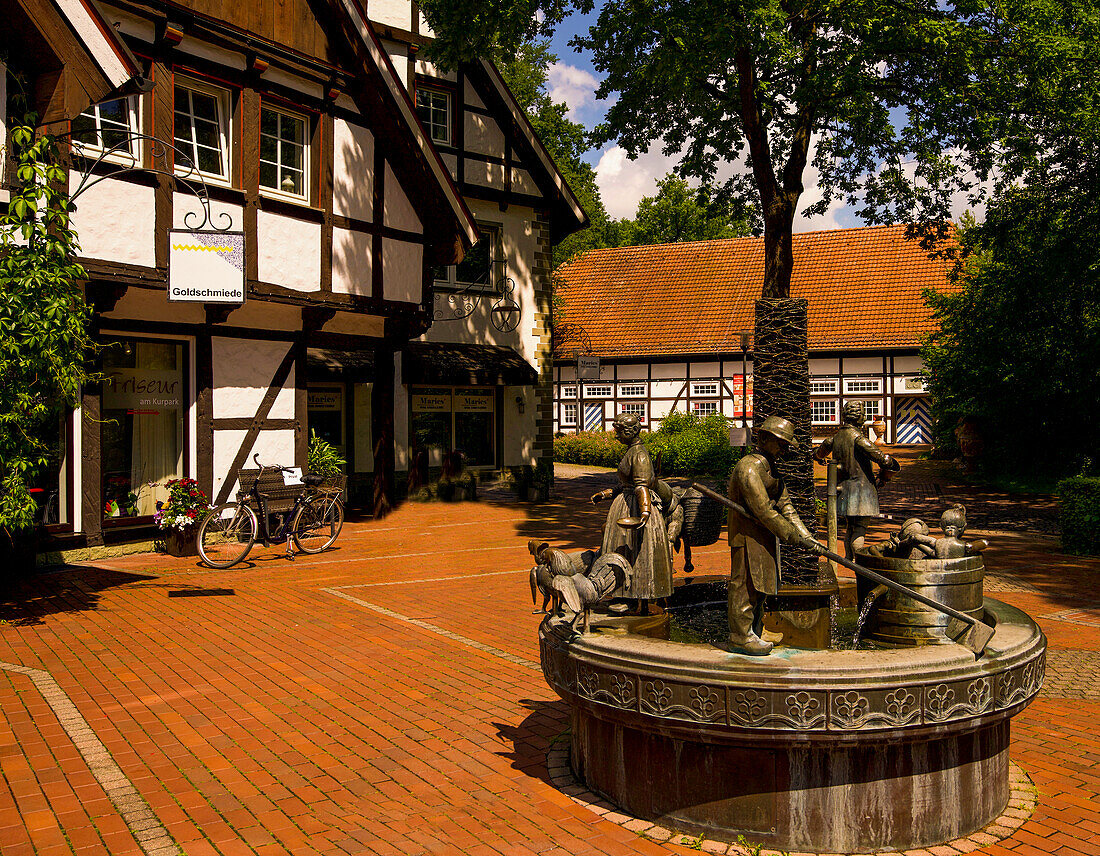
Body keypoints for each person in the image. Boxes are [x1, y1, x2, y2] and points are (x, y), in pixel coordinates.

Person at [727, 416, 823, 655]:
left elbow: (785, 504)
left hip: (764, 535)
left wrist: (806, 536)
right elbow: (764, 511)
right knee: (745, 584)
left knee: (761, 584)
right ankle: (741, 635)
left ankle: (756, 628)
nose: (784, 449)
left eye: (786, 444)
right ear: (764, 438)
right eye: (781, 443)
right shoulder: (748, 467)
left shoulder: (770, 467)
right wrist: (792, 537)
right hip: (746, 535)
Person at [591, 412, 674, 613]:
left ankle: (634, 596)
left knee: (635, 550)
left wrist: (644, 512)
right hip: (628, 502)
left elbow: (641, 485)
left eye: (619, 432)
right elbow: (626, 484)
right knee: (624, 549)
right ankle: (623, 594)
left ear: (631, 432)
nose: (616, 436)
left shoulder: (639, 454)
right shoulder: (632, 451)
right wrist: (605, 494)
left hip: (635, 506)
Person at [813, 401, 900, 559]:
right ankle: (860, 563)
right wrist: (885, 475)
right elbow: (884, 460)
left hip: (843, 491)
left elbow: (818, 453)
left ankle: (849, 560)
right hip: (862, 492)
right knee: (859, 528)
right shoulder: (859, 440)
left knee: (850, 528)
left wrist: (819, 457)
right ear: (860, 417)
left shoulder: (834, 439)